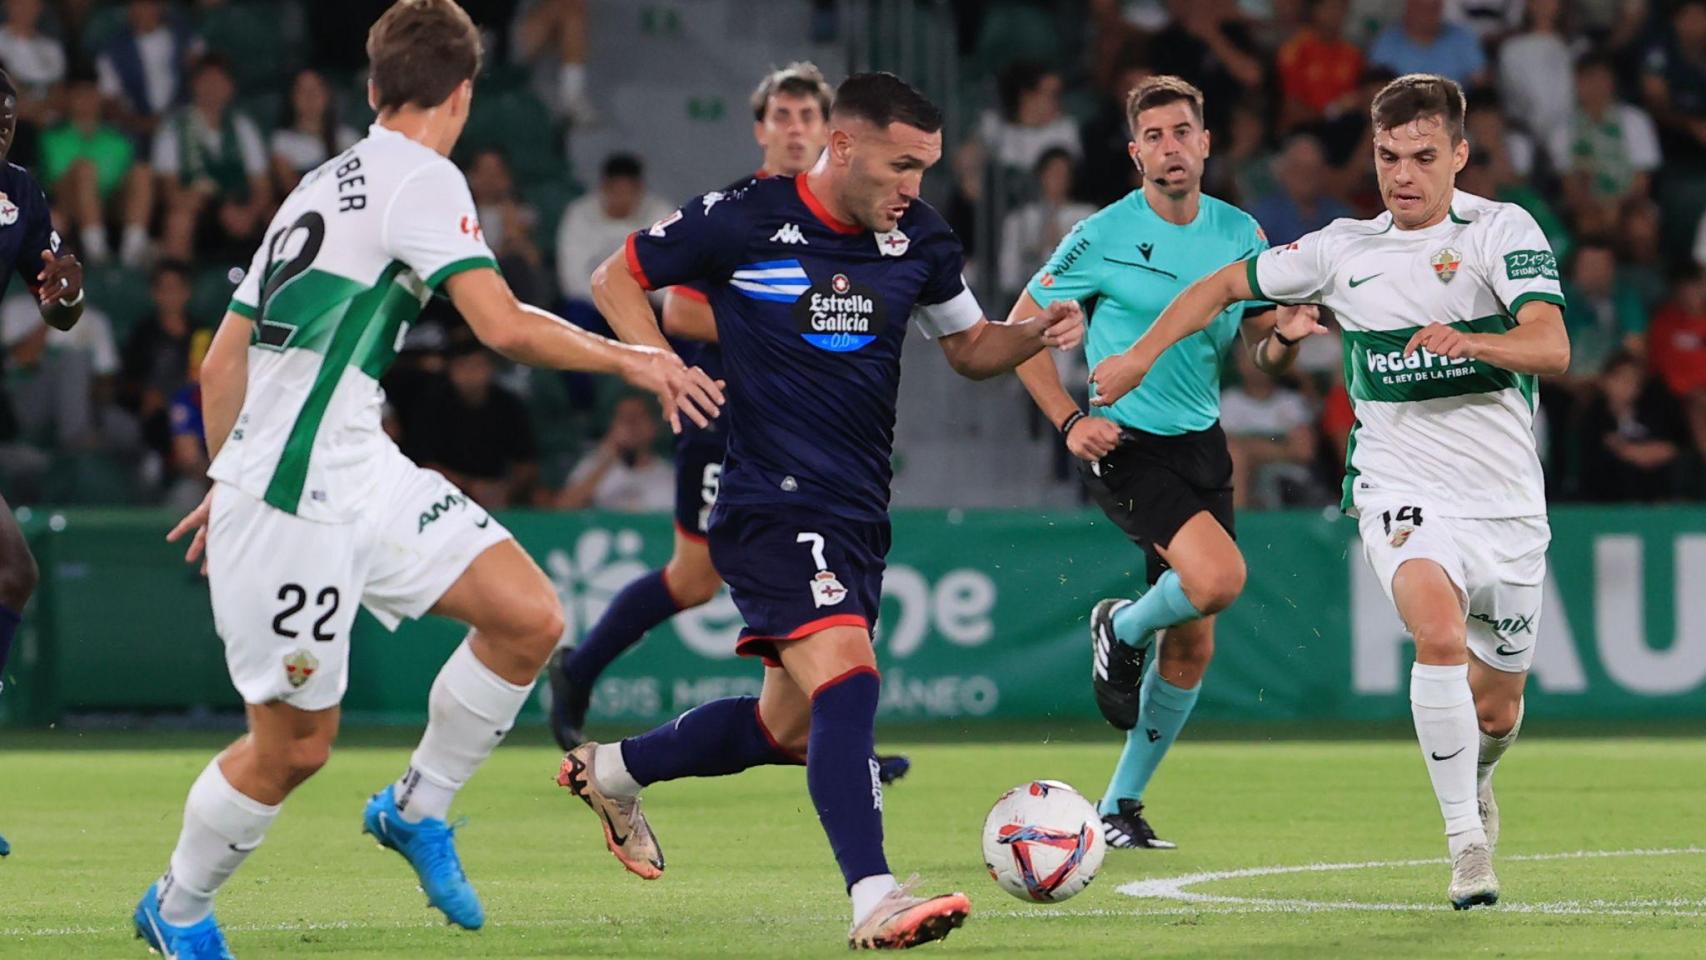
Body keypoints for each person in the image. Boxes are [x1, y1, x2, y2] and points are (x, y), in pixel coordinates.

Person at [132, 4, 720, 957]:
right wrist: (633, 359)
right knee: (294, 749)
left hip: (355, 464)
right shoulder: (424, 177)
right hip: (291, 497)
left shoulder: (319, 183)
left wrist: (227, 462)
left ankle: (416, 808)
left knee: (529, 617)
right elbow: (503, 325)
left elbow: (219, 364)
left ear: (372, 89)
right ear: (464, 92)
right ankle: (180, 906)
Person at [561, 71, 1082, 950]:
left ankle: (612, 770)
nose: (914, 187)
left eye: (927, 167)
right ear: (843, 147)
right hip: (768, 497)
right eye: (901, 165)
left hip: (857, 509)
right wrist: (653, 360)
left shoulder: (919, 235)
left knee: (782, 725)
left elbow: (969, 350)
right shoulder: (744, 216)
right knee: (850, 678)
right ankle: (873, 898)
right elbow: (617, 276)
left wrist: (1037, 331)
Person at [1093, 73, 1569, 909]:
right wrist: (1149, 357)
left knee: (1496, 711)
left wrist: (1471, 341)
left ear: (1459, 155)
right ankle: (1466, 849)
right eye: (1389, 156)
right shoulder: (1340, 251)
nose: (1404, 174)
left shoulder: (1502, 231)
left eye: (1424, 156)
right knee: (1437, 633)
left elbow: (1553, 346)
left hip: (1506, 506)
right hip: (1401, 487)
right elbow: (1220, 291)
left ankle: (1481, 776)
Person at [1010, 75, 1316, 850]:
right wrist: (1069, 419)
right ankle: (1120, 622)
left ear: (1206, 142)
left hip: (1201, 441)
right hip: (1126, 441)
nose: (1170, 148)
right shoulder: (1103, 233)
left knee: (1196, 637)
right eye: (1154, 136)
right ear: (1134, 151)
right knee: (1218, 579)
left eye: (1182, 132)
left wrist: (1280, 338)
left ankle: (1117, 807)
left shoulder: (1240, 232)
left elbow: (1259, 356)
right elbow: (1019, 330)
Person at [0, 64, 86, 862]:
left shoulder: (19, 192)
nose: (1, 126)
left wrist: (66, 295)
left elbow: (59, 310)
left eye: (8, 116)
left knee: (11, 572)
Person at [152, 54, 272, 260]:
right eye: (206, 80)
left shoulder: (243, 127)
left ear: (230, 87)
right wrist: (216, 207)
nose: (212, 87)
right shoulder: (173, 128)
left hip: (239, 208)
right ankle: (175, 284)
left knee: (277, 216)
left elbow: (262, 186)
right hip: (198, 210)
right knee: (178, 220)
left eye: (219, 81)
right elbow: (170, 192)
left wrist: (249, 214)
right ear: (194, 85)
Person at [553, 393, 673, 511]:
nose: (630, 426)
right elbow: (563, 510)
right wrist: (608, 458)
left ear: (653, 426)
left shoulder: (669, 476)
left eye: (637, 417)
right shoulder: (592, 465)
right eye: (623, 418)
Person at [269, 68, 360, 195]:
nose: (310, 97)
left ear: (328, 95)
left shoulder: (348, 138)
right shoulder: (283, 142)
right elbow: (293, 190)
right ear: (292, 97)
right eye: (302, 91)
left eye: (316, 90)